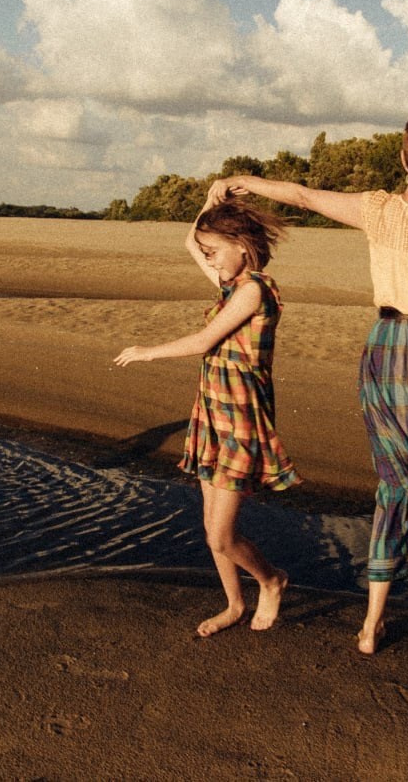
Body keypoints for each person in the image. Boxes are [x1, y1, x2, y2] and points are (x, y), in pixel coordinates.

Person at [200, 0, 408, 654]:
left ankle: (373, 623)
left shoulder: (377, 210)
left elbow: (300, 195)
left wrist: (242, 179)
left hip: (392, 351)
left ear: (404, 161)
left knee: (399, 480)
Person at [114, 200, 300, 637]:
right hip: (212, 412)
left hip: (240, 418)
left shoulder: (254, 290)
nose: (209, 258)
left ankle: (271, 580)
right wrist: (213, 195)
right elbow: (188, 241)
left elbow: (204, 341)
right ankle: (234, 604)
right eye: (208, 252)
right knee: (209, 526)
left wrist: (147, 351)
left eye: (214, 249)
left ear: (240, 245)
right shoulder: (230, 282)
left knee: (221, 536)